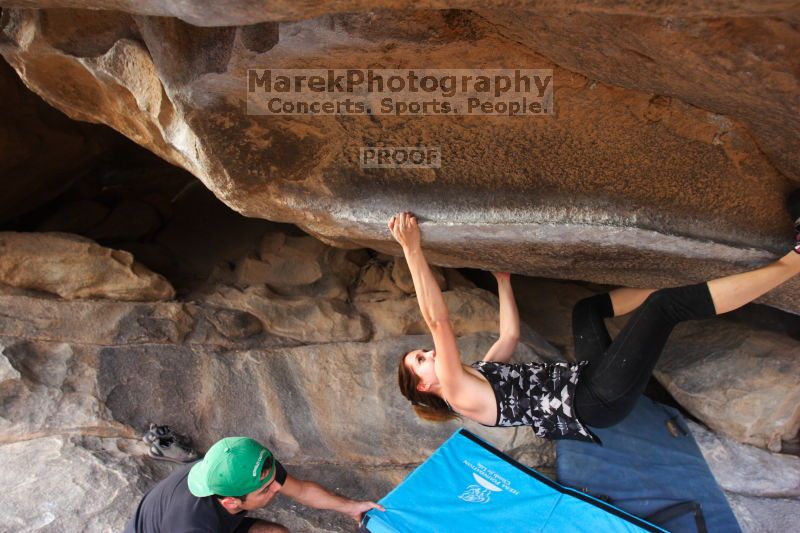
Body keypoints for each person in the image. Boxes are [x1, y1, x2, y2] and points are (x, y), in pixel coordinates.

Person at [392, 198, 800, 443]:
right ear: (426, 385)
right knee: (664, 309)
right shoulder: (461, 395)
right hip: (595, 400)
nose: (429, 354)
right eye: (421, 361)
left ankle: (675, 281)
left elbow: (510, 335)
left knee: (586, 311)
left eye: (422, 353)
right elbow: (438, 320)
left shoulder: (477, 373)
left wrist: (503, 281)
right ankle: (792, 260)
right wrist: (412, 250)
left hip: (586, 379)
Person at [123, 436, 384, 533]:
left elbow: (302, 490)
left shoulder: (243, 466)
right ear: (231, 501)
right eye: (265, 490)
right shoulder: (193, 525)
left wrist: (351, 507)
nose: (276, 489)